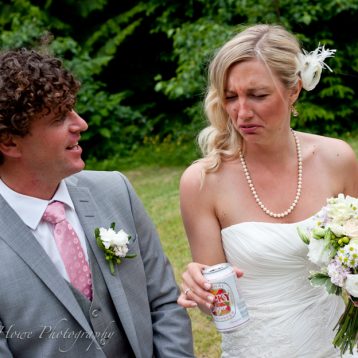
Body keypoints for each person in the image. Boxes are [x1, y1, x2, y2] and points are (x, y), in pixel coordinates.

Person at [177, 24, 358, 357]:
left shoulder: (337, 159)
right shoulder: (202, 181)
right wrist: (201, 290)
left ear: (294, 90)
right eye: (230, 97)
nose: (241, 113)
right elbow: (217, 306)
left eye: (258, 95)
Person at [0, 48, 194, 357]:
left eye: (73, 110)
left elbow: (163, 304)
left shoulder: (115, 191)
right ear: (9, 141)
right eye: (60, 118)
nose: (82, 124)